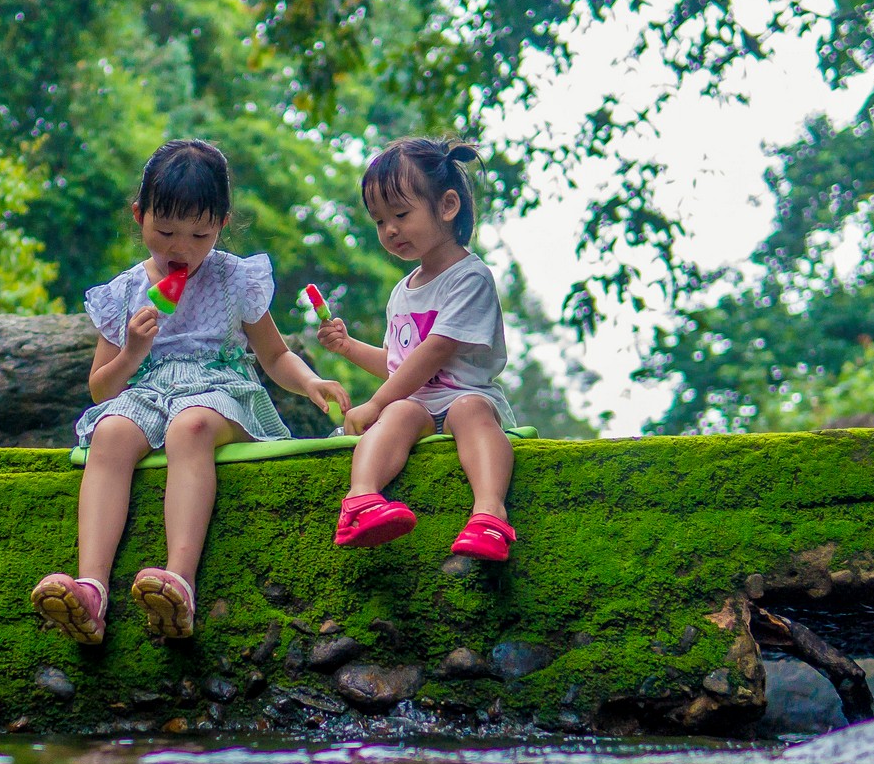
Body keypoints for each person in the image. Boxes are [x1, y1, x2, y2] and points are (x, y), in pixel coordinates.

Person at [32, 139, 348, 643]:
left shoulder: (234, 278)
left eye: (199, 233)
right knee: (110, 433)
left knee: (191, 425)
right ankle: (91, 588)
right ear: (140, 216)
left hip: (222, 390)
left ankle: (179, 580)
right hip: (145, 394)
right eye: (165, 231)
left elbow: (274, 355)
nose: (181, 248)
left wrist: (310, 381)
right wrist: (132, 351)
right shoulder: (124, 293)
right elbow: (100, 388)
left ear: (222, 223)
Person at [316, 137, 519, 561]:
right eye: (379, 221)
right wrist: (349, 347)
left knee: (467, 410)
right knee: (399, 411)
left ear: (447, 206)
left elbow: (435, 352)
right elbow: (399, 365)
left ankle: (489, 514)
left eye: (401, 214)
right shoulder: (402, 292)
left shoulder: (470, 277)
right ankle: (360, 500)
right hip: (419, 405)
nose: (389, 230)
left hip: (467, 398)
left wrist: (373, 404)